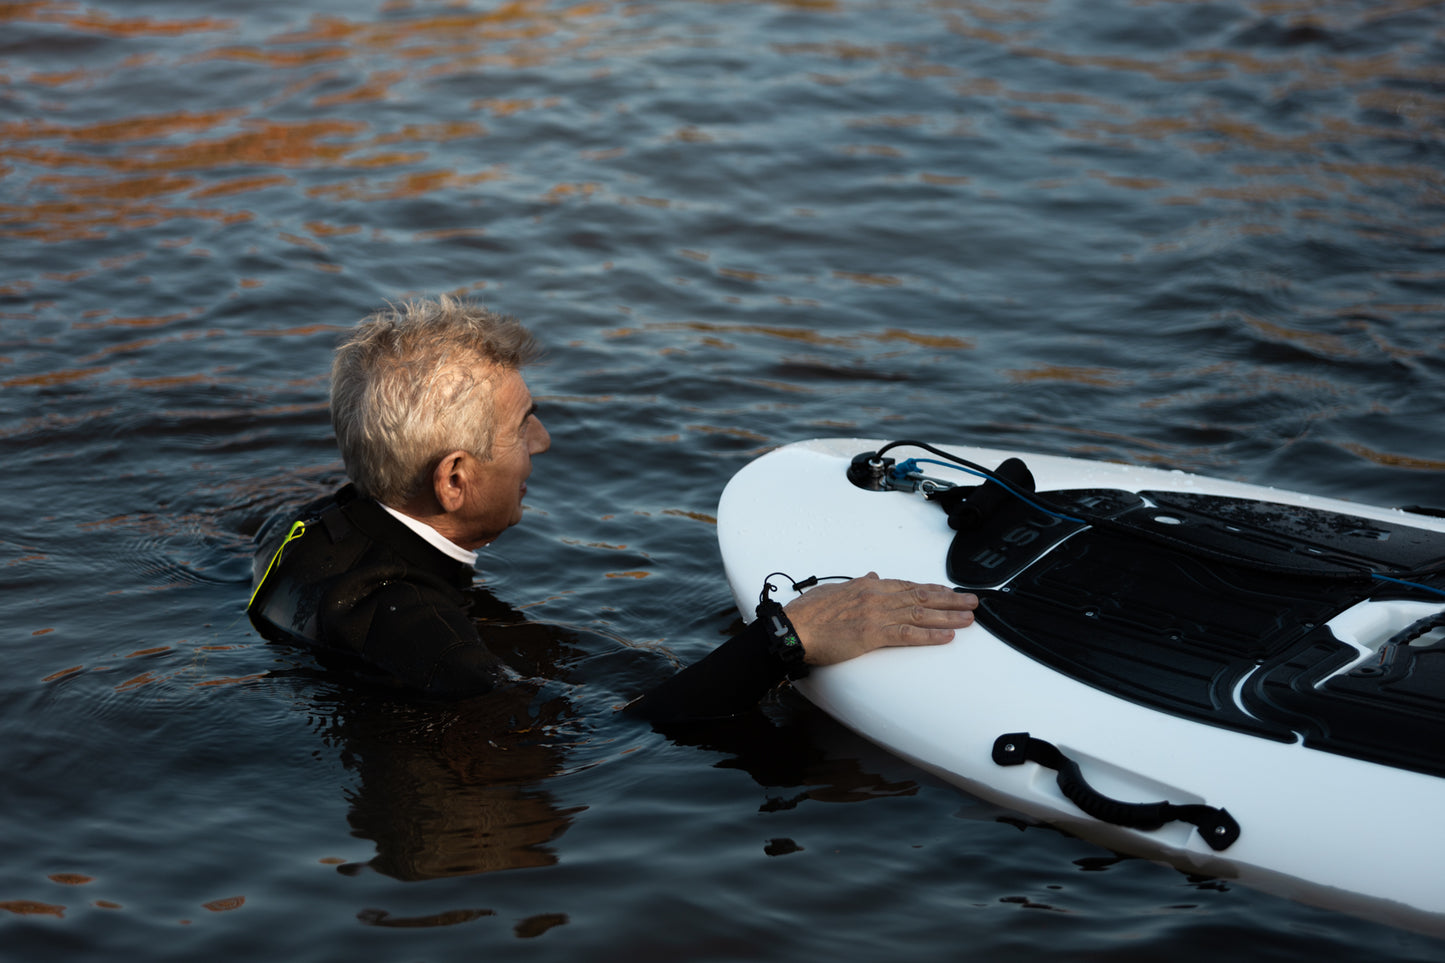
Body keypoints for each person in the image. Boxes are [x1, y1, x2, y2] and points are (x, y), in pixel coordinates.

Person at [247, 297, 978, 721]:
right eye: (522, 424)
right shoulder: (423, 633)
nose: (545, 439)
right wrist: (788, 640)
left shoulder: (307, 526)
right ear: (454, 482)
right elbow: (621, 734)